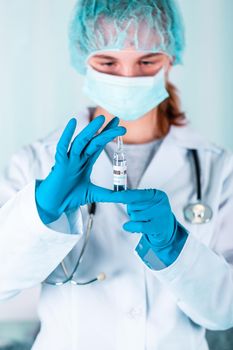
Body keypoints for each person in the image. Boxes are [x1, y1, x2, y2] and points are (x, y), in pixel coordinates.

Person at [0, 1, 233, 349]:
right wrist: (42, 211)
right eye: (107, 62)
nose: (127, 77)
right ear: (83, 59)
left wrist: (175, 247)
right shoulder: (36, 160)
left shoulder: (216, 168)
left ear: (170, 57)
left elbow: (224, 312)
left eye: (147, 61)